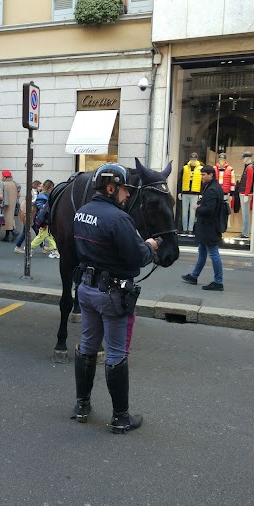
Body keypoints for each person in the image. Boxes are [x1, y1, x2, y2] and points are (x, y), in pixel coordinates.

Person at [72, 163, 159, 433]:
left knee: (87, 345)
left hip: (86, 289)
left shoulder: (82, 213)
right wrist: (150, 246)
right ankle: (121, 417)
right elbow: (137, 257)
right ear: (111, 188)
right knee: (117, 352)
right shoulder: (119, 219)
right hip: (111, 293)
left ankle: (81, 406)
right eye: (124, 190)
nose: (127, 195)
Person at [182, 165, 224, 291]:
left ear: (211, 175)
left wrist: (198, 208)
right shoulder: (213, 187)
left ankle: (218, 282)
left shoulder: (212, 189)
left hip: (209, 227)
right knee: (202, 252)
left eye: (204, 175)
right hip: (208, 227)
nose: (202, 177)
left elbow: (210, 209)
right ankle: (194, 276)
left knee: (213, 254)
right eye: (201, 175)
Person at [30, 180, 59, 257]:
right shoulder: (43, 196)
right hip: (44, 219)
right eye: (52, 188)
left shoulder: (44, 196)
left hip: (45, 219)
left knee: (48, 235)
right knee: (42, 236)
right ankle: (29, 247)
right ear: (49, 188)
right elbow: (42, 208)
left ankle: (54, 250)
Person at [14, 180, 42, 254]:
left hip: (29, 214)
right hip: (29, 214)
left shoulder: (33, 192)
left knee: (34, 231)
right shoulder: (34, 192)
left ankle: (43, 246)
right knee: (28, 232)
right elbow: (32, 201)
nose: (40, 187)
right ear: (36, 186)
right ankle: (17, 246)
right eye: (39, 186)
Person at [178, 152, 203, 235]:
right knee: (184, 212)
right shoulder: (185, 168)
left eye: (194, 159)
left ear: (196, 160)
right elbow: (180, 181)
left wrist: (201, 193)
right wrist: (179, 192)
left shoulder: (200, 168)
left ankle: (190, 229)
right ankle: (184, 229)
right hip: (185, 192)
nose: (193, 161)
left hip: (195, 193)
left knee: (193, 212)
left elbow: (202, 182)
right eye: (192, 159)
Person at [237, 151, 254, 239]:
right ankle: (245, 232)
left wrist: (247, 194)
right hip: (244, 193)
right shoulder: (248, 167)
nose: (242, 160)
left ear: (246, 158)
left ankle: (245, 233)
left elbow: (249, 182)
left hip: (245, 194)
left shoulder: (250, 168)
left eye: (243, 158)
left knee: (245, 214)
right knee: (245, 214)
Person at [0, 170, 20, 242]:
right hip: (13, 203)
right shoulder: (14, 183)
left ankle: (13, 232)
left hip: (5, 203)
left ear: (4, 177)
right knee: (10, 218)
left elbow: (1, 194)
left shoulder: (3, 184)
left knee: (7, 220)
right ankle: (7, 235)